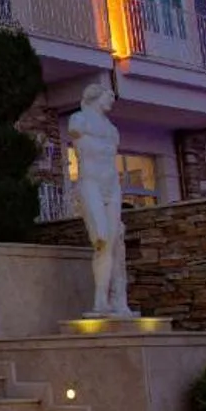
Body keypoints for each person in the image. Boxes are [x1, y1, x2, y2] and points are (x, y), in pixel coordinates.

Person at [66, 80, 136, 317]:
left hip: (111, 185)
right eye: (109, 97)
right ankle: (100, 299)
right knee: (103, 240)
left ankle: (114, 301)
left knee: (115, 241)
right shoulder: (79, 121)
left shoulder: (112, 130)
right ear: (96, 96)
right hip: (91, 183)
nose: (112, 101)